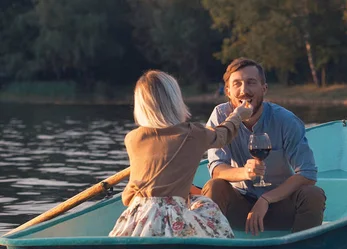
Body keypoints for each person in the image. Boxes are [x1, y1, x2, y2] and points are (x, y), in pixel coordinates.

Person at [109, 70, 253, 238]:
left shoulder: (132, 138)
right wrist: (237, 115)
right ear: (175, 101)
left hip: (137, 217)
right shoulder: (194, 134)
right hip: (172, 219)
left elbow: (129, 194)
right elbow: (222, 135)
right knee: (206, 205)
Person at [199, 58, 326, 236]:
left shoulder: (285, 120)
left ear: (264, 88)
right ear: (228, 91)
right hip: (239, 205)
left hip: (279, 204)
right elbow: (217, 169)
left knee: (313, 194)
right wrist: (245, 173)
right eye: (237, 84)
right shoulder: (220, 115)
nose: (244, 90)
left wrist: (266, 199)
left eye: (251, 82)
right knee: (214, 186)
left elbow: (307, 173)